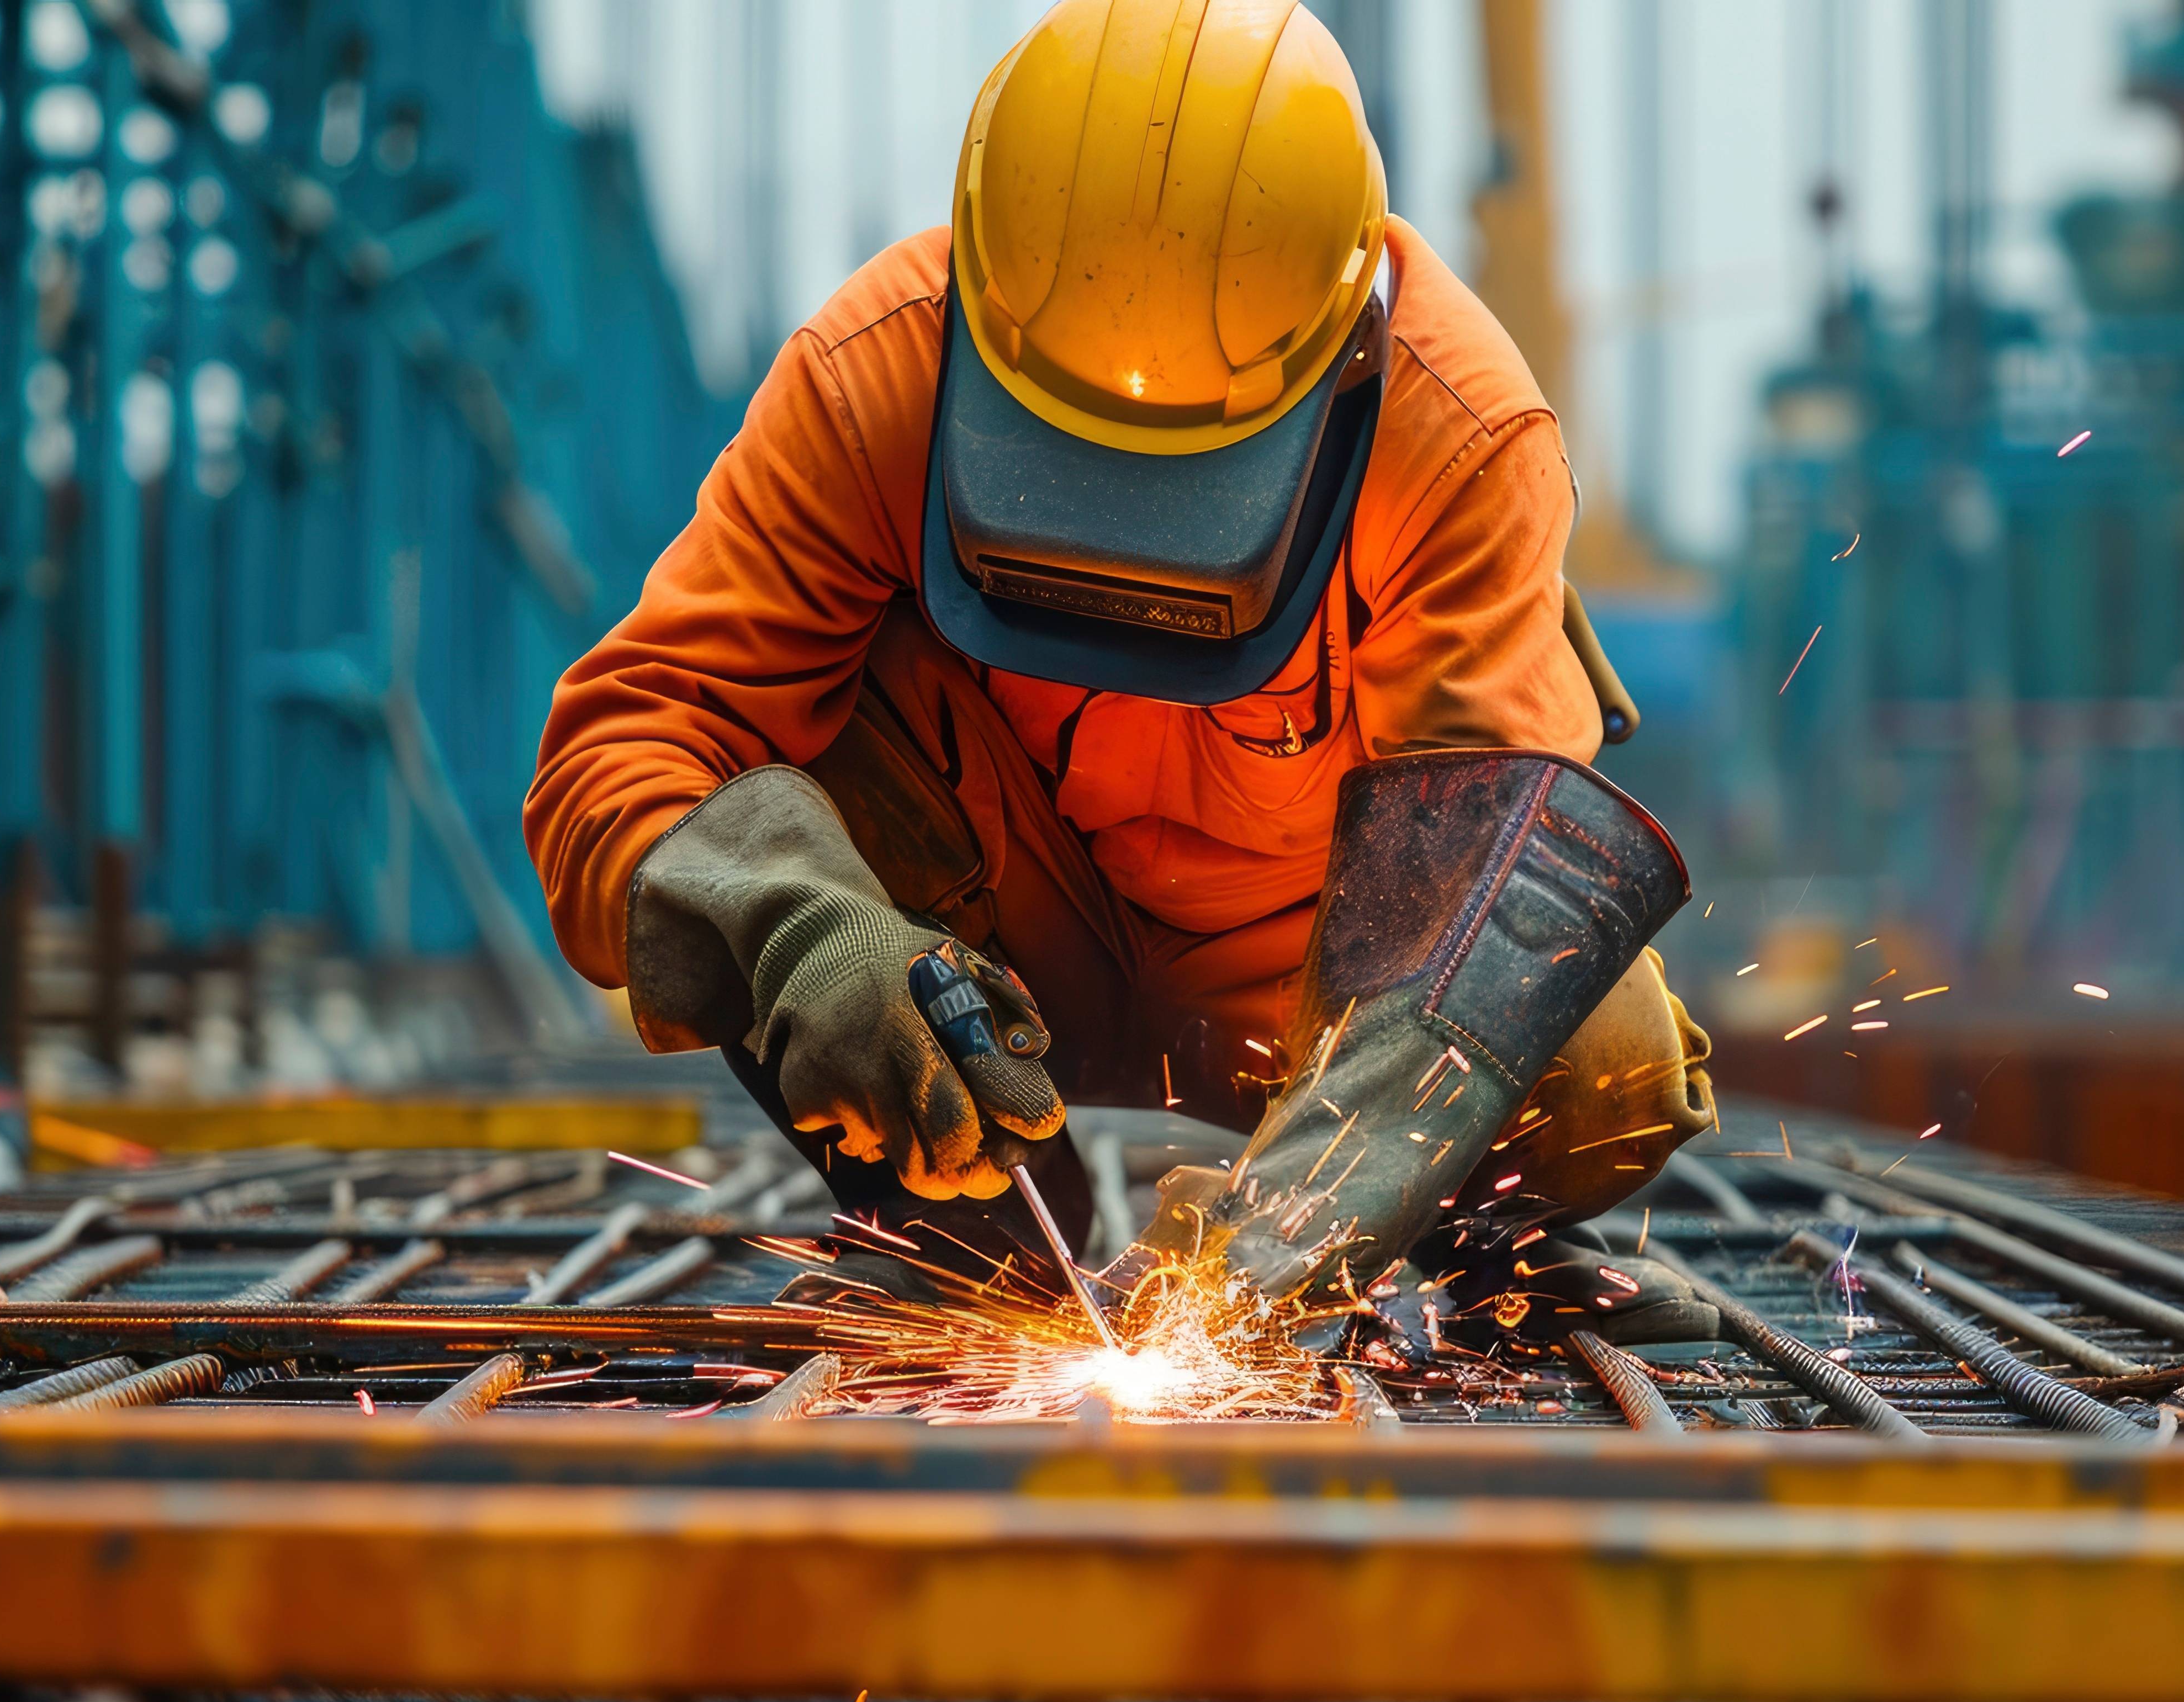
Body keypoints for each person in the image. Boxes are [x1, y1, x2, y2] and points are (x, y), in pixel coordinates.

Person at [525, 0, 1713, 1330]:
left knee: (1599, 1053)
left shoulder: (1459, 438)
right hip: (977, 977)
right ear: (980, 314)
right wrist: (804, 932)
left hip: (1306, 995)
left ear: (1348, 356)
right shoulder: (877, 375)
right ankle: (966, 1226)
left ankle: (1443, 1233)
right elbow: (622, 744)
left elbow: (1477, 924)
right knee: (729, 819)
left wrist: (1265, 1260)